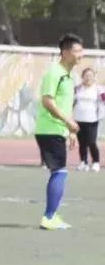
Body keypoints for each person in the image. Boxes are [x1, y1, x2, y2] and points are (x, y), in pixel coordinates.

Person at [35, 34, 84, 231]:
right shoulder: (55, 73)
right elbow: (48, 101)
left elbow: (65, 104)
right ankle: (49, 217)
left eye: (82, 50)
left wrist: (70, 131)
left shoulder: (70, 76)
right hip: (50, 129)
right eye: (77, 51)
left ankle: (52, 214)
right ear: (65, 52)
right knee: (60, 173)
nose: (81, 54)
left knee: (60, 172)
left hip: (58, 130)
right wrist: (67, 121)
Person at [73, 67, 103, 172]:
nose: (88, 78)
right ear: (82, 77)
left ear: (94, 77)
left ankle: (96, 162)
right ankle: (83, 162)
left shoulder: (98, 89)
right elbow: (72, 101)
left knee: (91, 142)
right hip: (78, 119)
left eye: (90, 76)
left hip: (92, 120)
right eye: (86, 75)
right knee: (82, 143)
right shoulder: (77, 88)